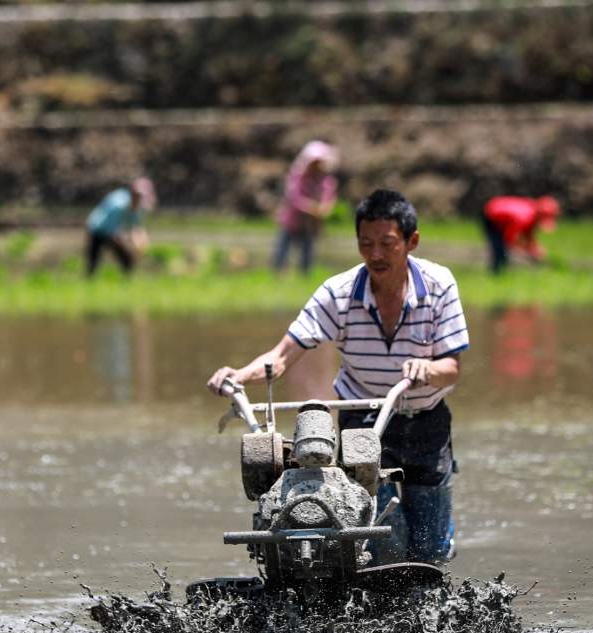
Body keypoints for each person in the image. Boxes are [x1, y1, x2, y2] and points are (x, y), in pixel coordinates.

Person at [208, 189, 469, 565]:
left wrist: (425, 368)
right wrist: (238, 376)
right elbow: (282, 356)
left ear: (412, 241)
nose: (375, 255)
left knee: (429, 549)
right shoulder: (340, 293)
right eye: (366, 244)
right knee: (371, 538)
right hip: (363, 423)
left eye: (387, 243)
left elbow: (452, 368)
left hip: (425, 418)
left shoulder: (439, 285)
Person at [272, 140, 339, 274]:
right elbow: (294, 198)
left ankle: (304, 272)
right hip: (292, 220)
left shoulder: (325, 180)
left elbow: (329, 197)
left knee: (307, 249)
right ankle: (279, 271)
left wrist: (325, 208)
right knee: (283, 248)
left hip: (309, 224)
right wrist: (313, 208)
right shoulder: (298, 176)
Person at [84, 177, 157, 277]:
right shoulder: (118, 202)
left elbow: (135, 227)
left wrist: (142, 243)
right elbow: (113, 228)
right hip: (97, 228)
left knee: (127, 261)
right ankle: (90, 281)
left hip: (109, 231)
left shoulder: (135, 206)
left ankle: (126, 281)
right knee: (93, 262)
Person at [481, 195, 560, 274]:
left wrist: (533, 247)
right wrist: (528, 250)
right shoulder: (522, 218)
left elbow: (528, 234)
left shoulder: (532, 214)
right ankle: (496, 272)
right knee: (500, 249)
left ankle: (501, 270)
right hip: (491, 215)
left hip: (507, 218)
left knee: (503, 249)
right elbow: (509, 237)